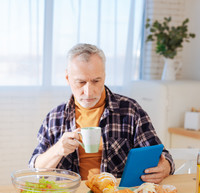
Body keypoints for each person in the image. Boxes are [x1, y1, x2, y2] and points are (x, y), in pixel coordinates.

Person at [29, 43, 175, 183]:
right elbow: (36, 168)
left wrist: (166, 167)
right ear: (68, 78)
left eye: (96, 81)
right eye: (81, 82)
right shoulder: (55, 117)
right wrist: (58, 150)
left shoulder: (130, 110)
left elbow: (162, 156)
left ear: (104, 76)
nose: (88, 91)